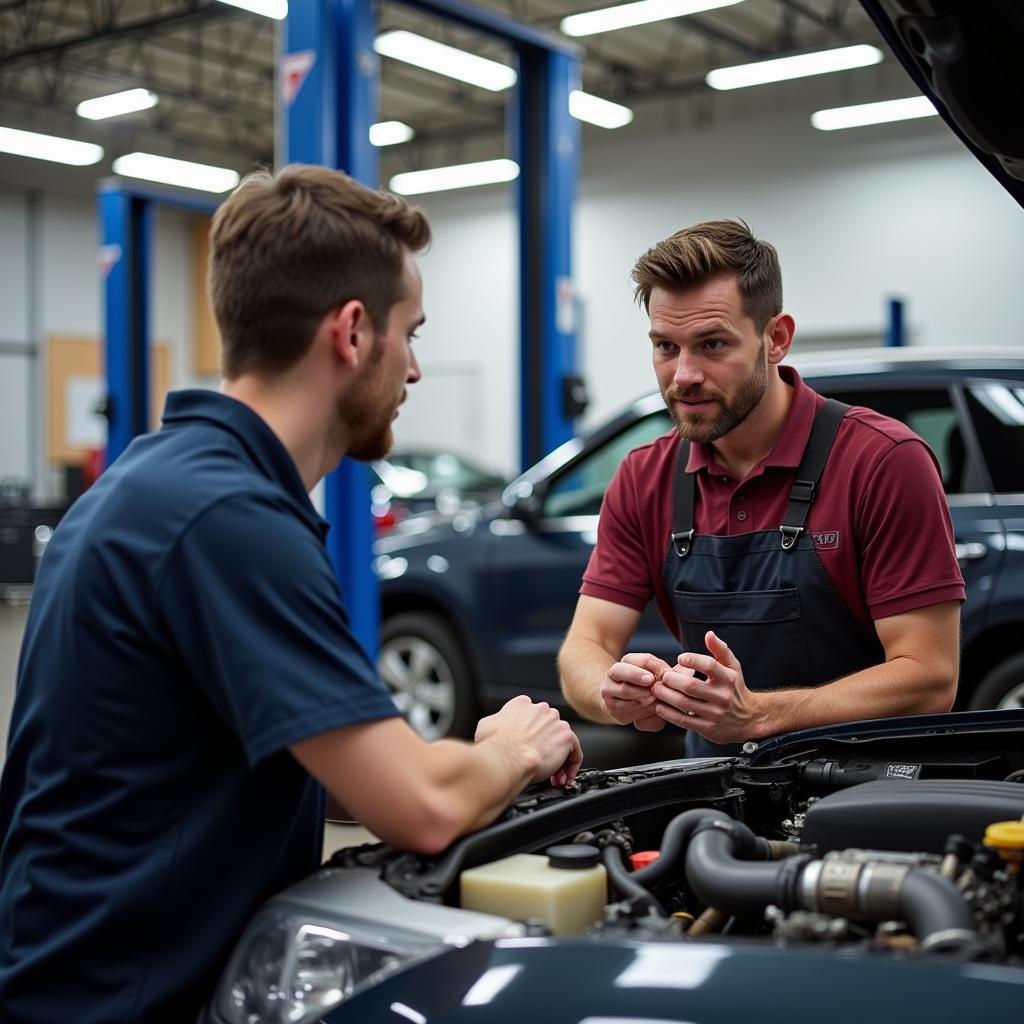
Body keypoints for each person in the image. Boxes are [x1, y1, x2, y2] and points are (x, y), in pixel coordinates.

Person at [0, 165, 583, 1023]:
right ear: (352, 332)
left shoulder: (163, 483)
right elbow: (419, 813)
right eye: (409, 333)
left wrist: (461, 763)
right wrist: (515, 750)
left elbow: (321, 773)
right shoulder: (228, 518)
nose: (414, 369)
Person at [558, 219, 963, 758]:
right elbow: (583, 649)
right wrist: (610, 692)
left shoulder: (882, 462)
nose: (683, 375)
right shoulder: (643, 477)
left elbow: (930, 676)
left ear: (776, 339)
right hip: (716, 792)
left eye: (712, 344)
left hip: (859, 793)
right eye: (665, 346)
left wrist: (758, 716)